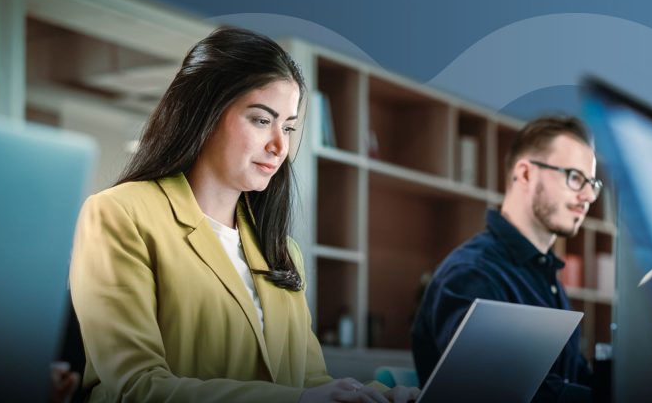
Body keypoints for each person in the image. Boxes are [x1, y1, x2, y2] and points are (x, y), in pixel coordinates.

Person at [70, 27, 419, 403]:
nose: (279, 146)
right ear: (205, 113)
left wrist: (382, 397)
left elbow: (310, 380)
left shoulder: (278, 250)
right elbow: (134, 387)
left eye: (287, 126)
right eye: (260, 120)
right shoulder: (120, 214)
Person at [411, 115, 601, 402]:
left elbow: (575, 376)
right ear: (525, 174)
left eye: (592, 183)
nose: (588, 196)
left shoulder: (548, 279)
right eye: (575, 178)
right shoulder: (471, 273)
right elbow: (503, 392)